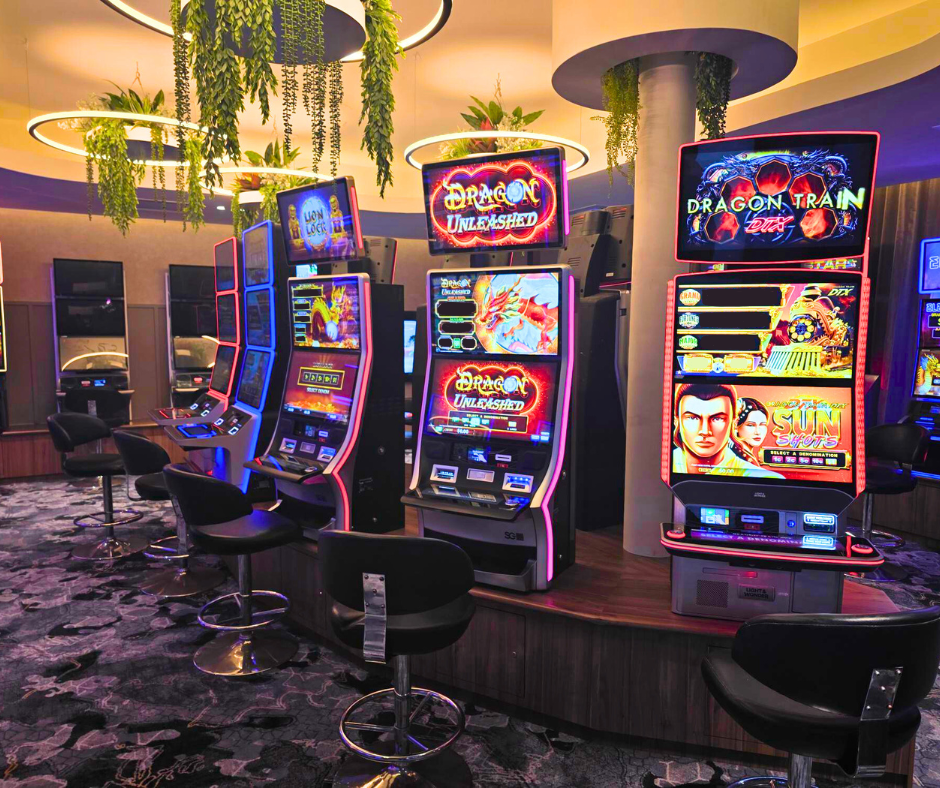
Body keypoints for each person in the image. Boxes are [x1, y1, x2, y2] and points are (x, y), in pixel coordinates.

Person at [672, 383, 783, 479]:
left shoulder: (763, 478)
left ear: (733, 423)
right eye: (693, 418)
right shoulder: (665, 465)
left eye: (717, 418)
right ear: (677, 422)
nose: (705, 431)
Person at [733, 397, 771, 467]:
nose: (758, 432)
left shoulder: (747, 458)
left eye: (762, 425)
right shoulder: (734, 459)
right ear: (736, 425)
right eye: (751, 425)